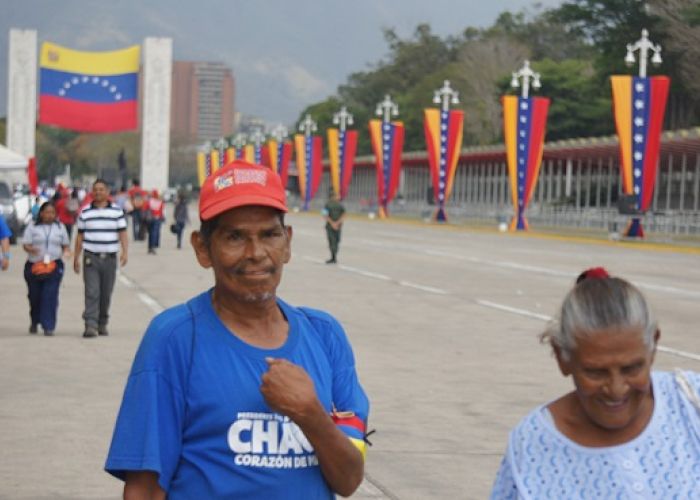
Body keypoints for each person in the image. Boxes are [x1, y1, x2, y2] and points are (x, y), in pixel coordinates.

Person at [105, 160, 369, 499]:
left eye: (270, 235)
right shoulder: (174, 338)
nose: (256, 253)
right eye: (234, 237)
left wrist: (311, 414)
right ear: (203, 248)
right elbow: (144, 489)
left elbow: (348, 480)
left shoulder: (325, 335)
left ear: (287, 243)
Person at [490, 267, 700, 499]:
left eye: (632, 368)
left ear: (653, 346)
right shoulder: (532, 446)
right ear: (562, 358)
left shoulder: (690, 403)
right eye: (596, 372)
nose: (616, 388)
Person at [73, 179, 128, 338]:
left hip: (110, 258)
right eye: (95, 189)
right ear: (92, 192)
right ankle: (90, 324)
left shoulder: (117, 212)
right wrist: (76, 258)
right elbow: (79, 237)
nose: (98, 192)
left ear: (107, 192)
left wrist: (125, 252)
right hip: (91, 258)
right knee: (92, 291)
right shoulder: (85, 213)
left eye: (101, 189)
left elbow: (123, 233)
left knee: (106, 293)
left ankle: (102, 322)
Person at [21, 202, 71, 336]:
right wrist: (31, 249)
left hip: (53, 266)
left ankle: (48, 325)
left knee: (50, 295)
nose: (49, 215)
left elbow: (65, 245)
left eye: (52, 213)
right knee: (35, 296)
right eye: (47, 212)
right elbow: (25, 244)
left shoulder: (60, 227)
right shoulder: (32, 227)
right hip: (35, 266)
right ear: (41, 213)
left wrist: (66, 252)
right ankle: (34, 320)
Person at [322, 192, 345, 264]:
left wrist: (334, 223)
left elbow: (324, 215)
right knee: (334, 241)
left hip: (333, 226)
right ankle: (333, 257)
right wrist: (335, 223)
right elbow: (325, 215)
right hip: (333, 226)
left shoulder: (337, 205)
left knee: (334, 241)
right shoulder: (331, 204)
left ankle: (333, 257)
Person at [145, 189, 165, 254]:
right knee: (154, 233)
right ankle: (153, 247)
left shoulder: (149, 201)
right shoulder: (160, 202)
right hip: (157, 219)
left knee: (150, 233)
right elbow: (162, 211)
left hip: (149, 219)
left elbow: (145, 209)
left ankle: (149, 247)